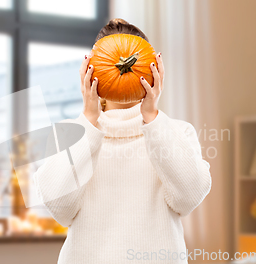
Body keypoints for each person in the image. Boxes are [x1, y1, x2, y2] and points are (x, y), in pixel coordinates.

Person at [33, 18, 212, 264]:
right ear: (91, 71)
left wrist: (152, 118)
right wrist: (88, 119)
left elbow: (188, 199)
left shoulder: (176, 132)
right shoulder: (72, 134)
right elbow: (60, 208)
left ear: (154, 70)